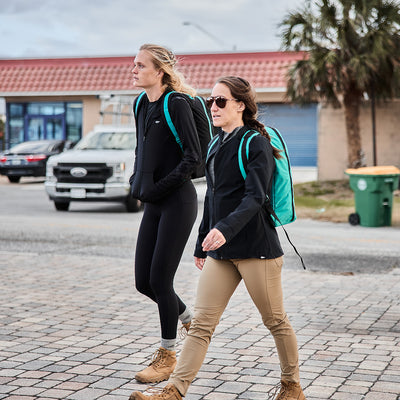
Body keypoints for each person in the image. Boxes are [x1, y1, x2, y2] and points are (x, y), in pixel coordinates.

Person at [129, 76, 307, 400]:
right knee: (200, 326)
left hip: (257, 251)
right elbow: (212, 197)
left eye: (221, 101)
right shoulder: (215, 143)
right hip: (221, 255)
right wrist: (201, 242)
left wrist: (223, 230)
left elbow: (254, 198)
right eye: (211, 100)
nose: (213, 106)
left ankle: (291, 386)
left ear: (241, 104)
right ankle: (174, 390)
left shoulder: (255, 142)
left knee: (275, 321)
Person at [129, 44, 201, 384]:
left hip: (178, 202)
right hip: (154, 202)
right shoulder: (141, 103)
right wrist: (136, 180)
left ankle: (167, 355)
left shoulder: (176, 103)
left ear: (160, 71)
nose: (135, 69)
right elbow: (141, 148)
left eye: (141, 65)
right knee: (144, 282)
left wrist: (158, 188)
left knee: (161, 279)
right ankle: (191, 320)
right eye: (135, 64)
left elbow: (193, 157)